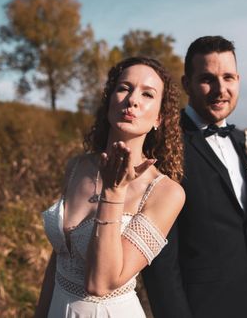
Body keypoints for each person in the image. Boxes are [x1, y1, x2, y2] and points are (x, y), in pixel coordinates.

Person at [142, 36, 247, 318]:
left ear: (238, 80)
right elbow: (160, 257)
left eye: (228, 77)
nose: (221, 90)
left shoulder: (242, 141)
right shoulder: (166, 144)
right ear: (187, 84)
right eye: (208, 79)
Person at [35, 56, 185, 318]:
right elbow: (58, 257)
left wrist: (113, 193)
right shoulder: (77, 166)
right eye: (124, 88)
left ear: (159, 118)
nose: (132, 100)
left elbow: (100, 284)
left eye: (147, 94)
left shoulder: (166, 192)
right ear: (109, 103)